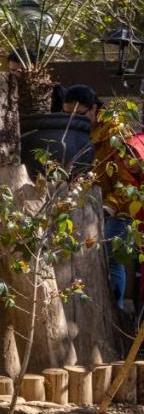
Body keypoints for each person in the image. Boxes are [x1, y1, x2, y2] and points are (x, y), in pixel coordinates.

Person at [76, 86, 140, 310]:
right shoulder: (80, 133)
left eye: (80, 113)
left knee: (112, 252)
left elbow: (128, 181)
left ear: (94, 108)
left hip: (124, 205)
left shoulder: (116, 132)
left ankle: (117, 311)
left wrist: (109, 207)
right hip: (96, 205)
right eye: (69, 115)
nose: (74, 120)